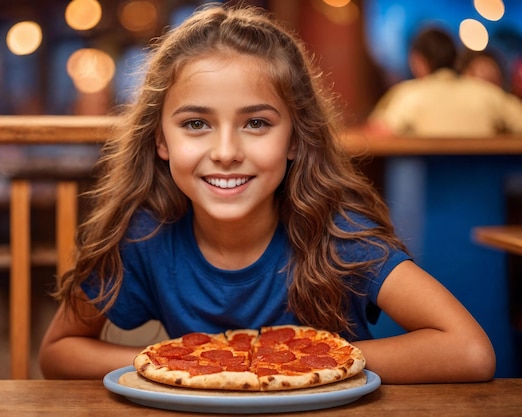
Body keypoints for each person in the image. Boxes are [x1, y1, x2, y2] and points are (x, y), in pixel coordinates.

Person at [38, 5, 496, 383]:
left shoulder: (340, 233)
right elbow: (58, 352)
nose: (225, 152)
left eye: (256, 123)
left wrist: (297, 363)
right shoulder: (145, 235)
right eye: (196, 124)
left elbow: (470, 351)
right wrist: (188, 363)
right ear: (161, 140)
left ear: (295, 138)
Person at [365, 27, 522, 137]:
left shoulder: (409, 94)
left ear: (418, 61)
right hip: (487, 183)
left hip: (426, 184)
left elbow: (377, 133)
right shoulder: (487, 92)